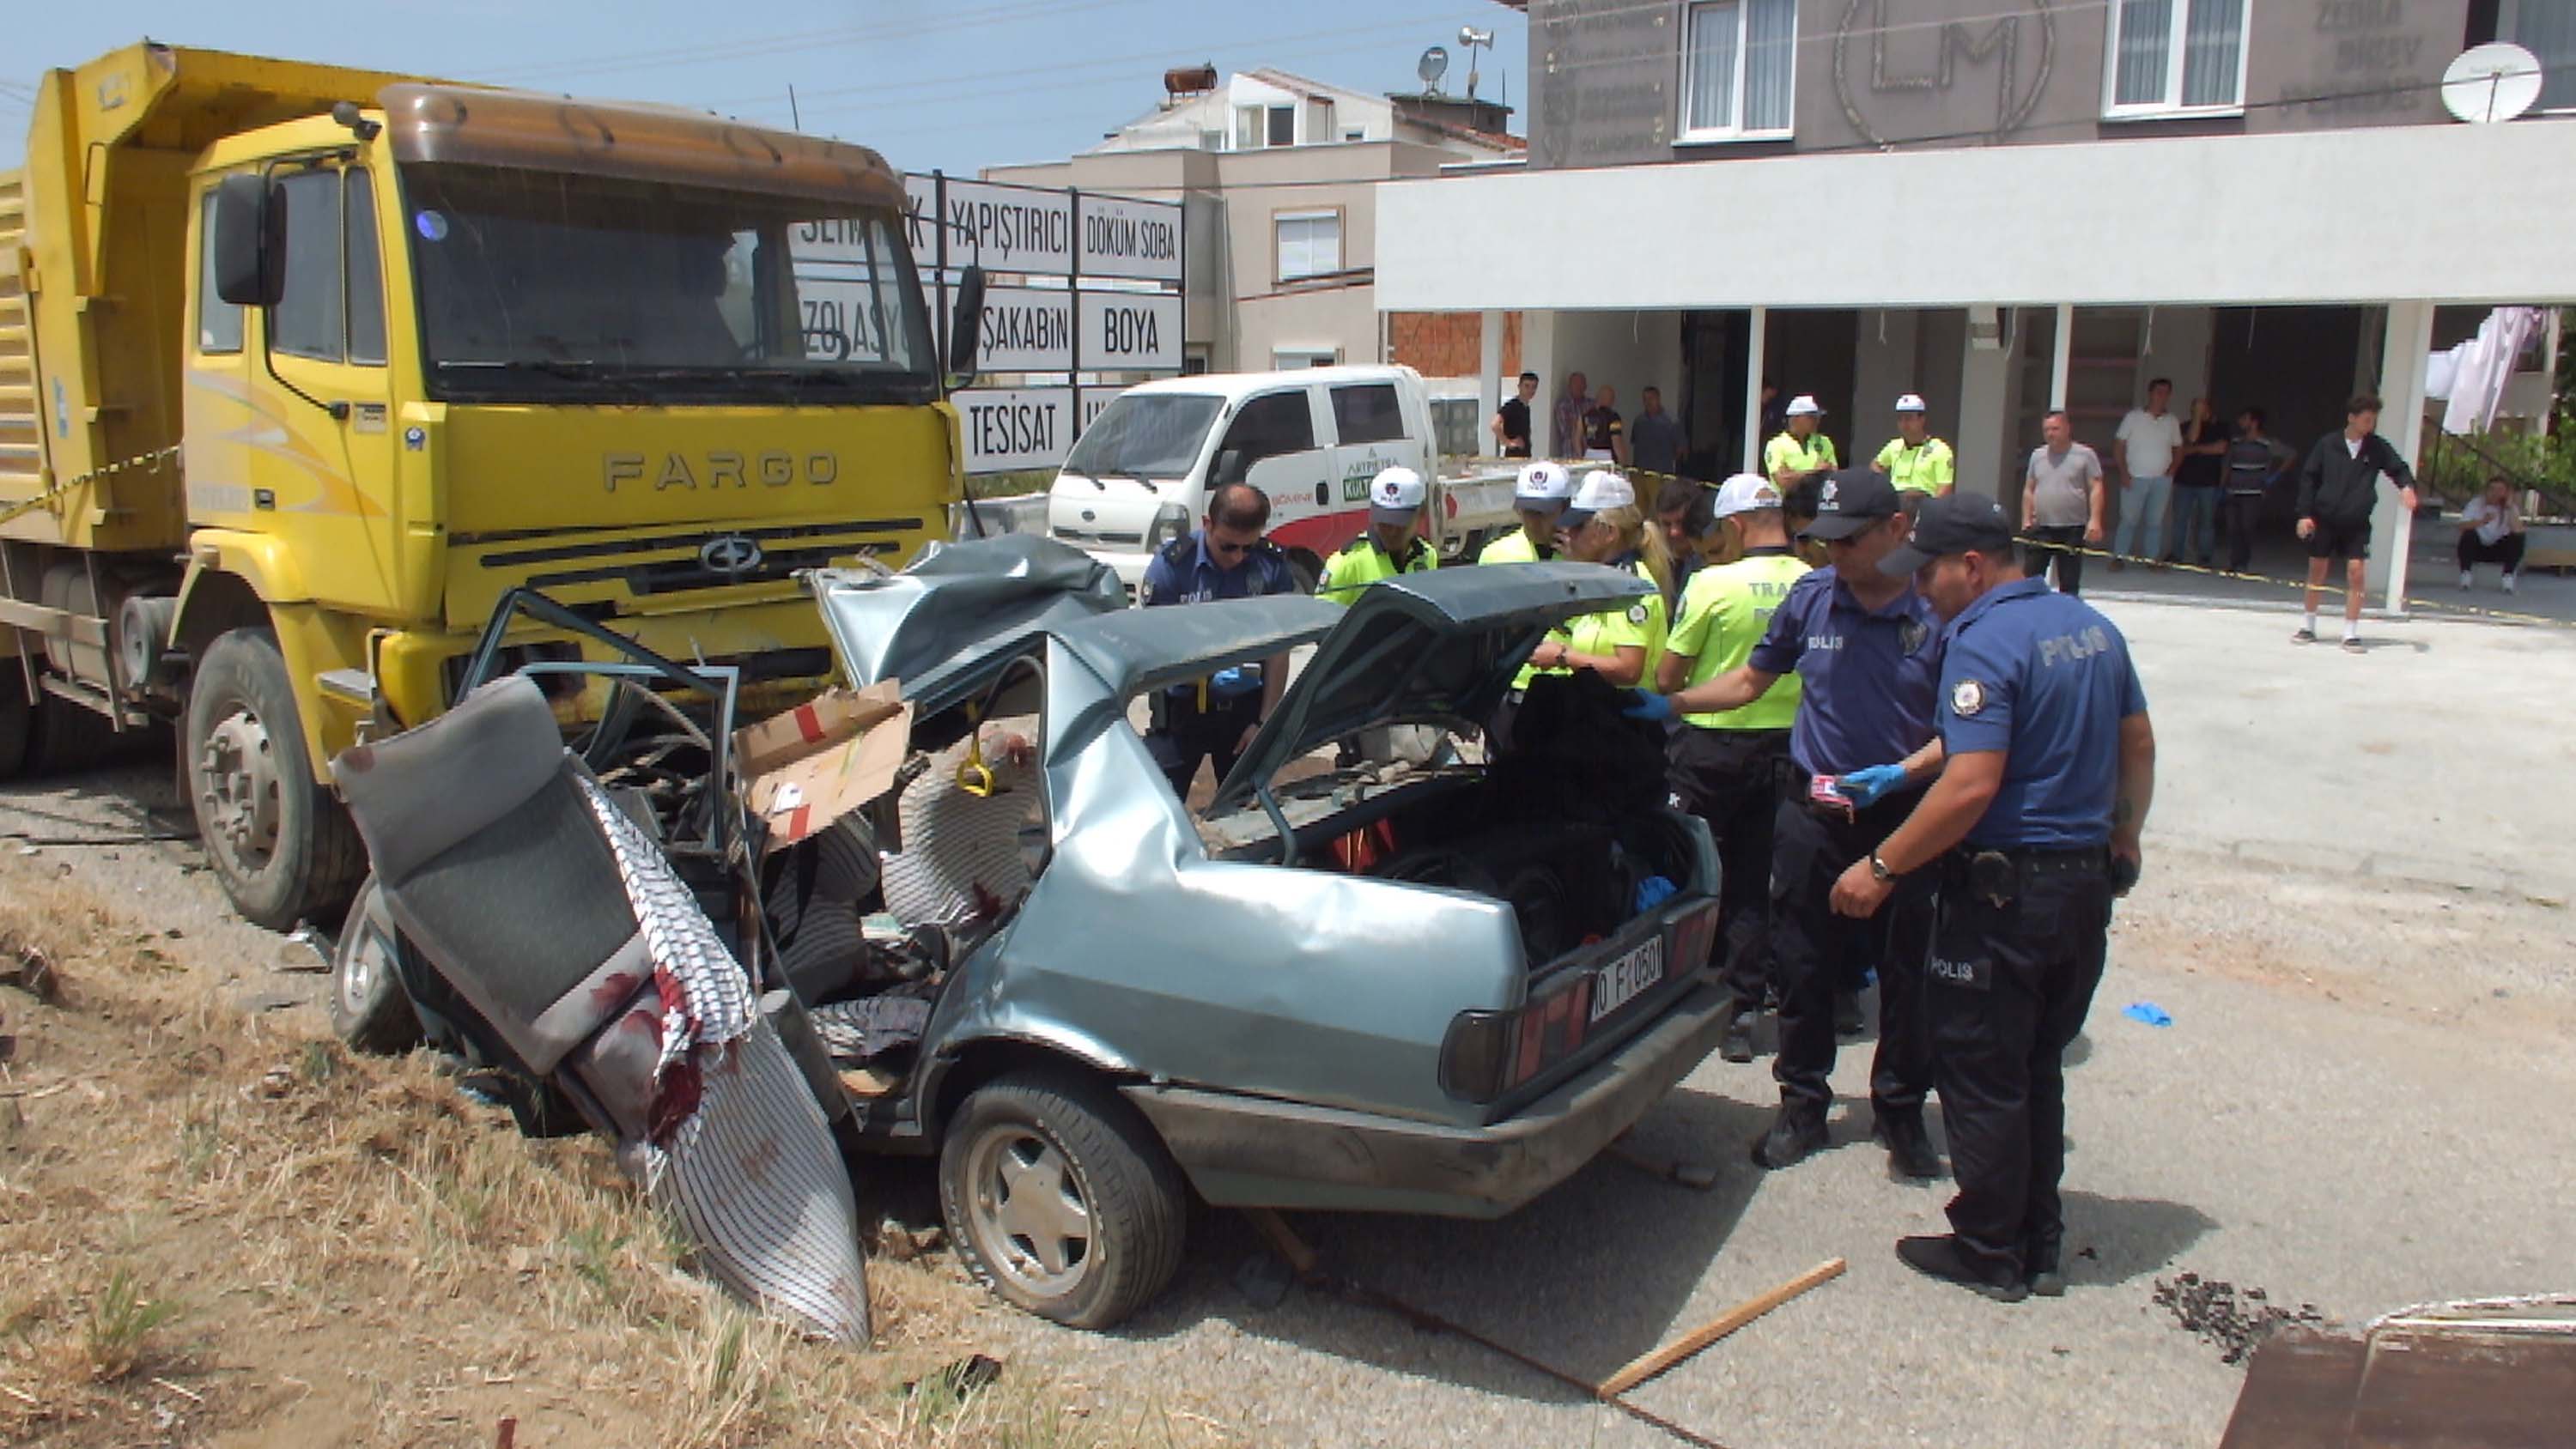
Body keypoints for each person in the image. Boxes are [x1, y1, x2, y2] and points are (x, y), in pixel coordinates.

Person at [1825, 491, 2154, 1302]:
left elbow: (1974, 783)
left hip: (2005, 898)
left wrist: (1883, 866)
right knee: (2039, 1066)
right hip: (2081, 890)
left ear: (1973, 567)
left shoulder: (1979, 639)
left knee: (1982, 1072)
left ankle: (1988, 1247)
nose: (1921, 590)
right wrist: (2125, 836)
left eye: (1929, 572)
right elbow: (2136, 741)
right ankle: (2039, 1239)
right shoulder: (2089, 628)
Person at [1631, 469, 1944, 1180]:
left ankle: (1899, 1110)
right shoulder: (1810, 599)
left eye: (1850, 541)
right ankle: (1803, 1104)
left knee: (1906, 969)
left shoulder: (1935, 611)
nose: (1833, 554)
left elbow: (1964, 729)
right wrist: (1671, 706)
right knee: (1801, 959)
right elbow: (1750, 681)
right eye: (1824, 540)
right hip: (1815, 808)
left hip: (1901, 812)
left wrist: (1903, 774)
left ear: (1897, 531)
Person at [1657, 475, 1810, 1064]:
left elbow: (1670, 676)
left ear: (1737, 524)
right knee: (1754, 878)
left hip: (1711, 748)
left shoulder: (1712, 583)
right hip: (1789, 748)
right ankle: (1743, 1010)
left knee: (1685, 865)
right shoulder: (1813, 582)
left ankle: (1672, 986)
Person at [1138, 482, 1297, 797]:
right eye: (1228, 546)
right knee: (1155, 801)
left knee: (1248, 807)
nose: (1238, 557)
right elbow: (1151, 645)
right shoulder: (1172, 566)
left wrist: (1264, 724)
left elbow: (1280, 650)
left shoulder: (1270, 566)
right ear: (1207, 524)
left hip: (1243, 710)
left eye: (1248, 547)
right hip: (1181, 709)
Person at [2294, 392, 2419, 652]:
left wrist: (2406, 488)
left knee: (2357, 573)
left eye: (2373, 421)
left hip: (2356, 521)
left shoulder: (2376, 447)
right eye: (2365, 420)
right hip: (2324, 518)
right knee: (2317, 569)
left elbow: (2399, 468)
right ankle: (2308, 624)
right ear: (2351, 418)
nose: (2369, 426)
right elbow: (2309, 478)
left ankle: (2350, 632)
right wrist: (2304, 514)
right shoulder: (2327, 445)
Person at [1526, 470, 1669, 687]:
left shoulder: (1628, 588)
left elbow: (1629, 669)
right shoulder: (1606, 580)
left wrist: (1562, 656)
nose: (1568, 533)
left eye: (1578, 526)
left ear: (1609, 533)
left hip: (1624, 714)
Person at [1318, 466, 1437, 604]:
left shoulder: (1427, 556)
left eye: (1400, 524)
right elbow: (1319, 619)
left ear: (1421, 513)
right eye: (1384, 522)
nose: (1392, 532)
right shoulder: (1346, 565)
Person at [2022, 410, 2107, 597]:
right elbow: (2029, 489)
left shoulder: (2085, 455)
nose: (2050, 434)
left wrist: (2095, 520)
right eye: (2046, 430)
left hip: (2072, 528)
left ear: (2068, 429)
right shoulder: (2038, 456)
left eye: (2055, 429)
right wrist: (2026, 519)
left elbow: (2096, 488)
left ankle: (2067, 619)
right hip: (2041, 527)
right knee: (2030, 579)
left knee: (2069, 582)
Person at [2111, 379, 2183, 572]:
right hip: (2135, 476)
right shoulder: (2133, 417)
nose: (2162, 396)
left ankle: (2152, 559)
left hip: (2161, 480)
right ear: (2150, 393)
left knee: (2155, 522)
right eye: (2158, 391)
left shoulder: (2172, 421)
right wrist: (2124, 472)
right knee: (2128, 520)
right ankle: (2119, 557)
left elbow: (2178, 447)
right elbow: (2119, 445)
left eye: (2166, 392)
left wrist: (2172, 470)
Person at [2221, 407, 2296, 573]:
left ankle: (2243, 562)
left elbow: (2291, 455)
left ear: (2254, 422)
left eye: (2245, 418)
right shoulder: (2236, 442)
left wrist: (2274, 477)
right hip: (2233, 490)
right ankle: (2234, 562)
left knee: (2247, 527)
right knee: (2232, 528)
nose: (2241, 422)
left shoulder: (2268, 443)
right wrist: (2222, 485)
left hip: (2253, 493)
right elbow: (2227, 465)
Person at [2164, 397, 2227, 567]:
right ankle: (2176, 554)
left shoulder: (2220, 427)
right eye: (2195, 407)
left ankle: (2205, 556)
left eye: (2201, 406)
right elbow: (2187, 444)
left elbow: (2220, 448)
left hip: (2209, 483)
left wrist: (2196, 449)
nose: (2198, 409)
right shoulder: (2184, 427)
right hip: (2184, 481)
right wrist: (2197, 419)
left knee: (2207, 521)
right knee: (2180, 520)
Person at [1871, 392, 1956, 509]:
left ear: (1922, 420)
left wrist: (1930, 511)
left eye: (1909, 418)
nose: (1904, 424)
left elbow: (1945, 489)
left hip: (1923, 506)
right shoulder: (1894, 446)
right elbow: (1876, 465)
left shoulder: (1940, 449)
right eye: (1900, 419)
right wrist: (1886, 488)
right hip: (1897, 505)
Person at [1481, 460, 1573, 566]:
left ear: (1565, 508)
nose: (1533, 522)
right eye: (1528, 511)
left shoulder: (1584, 555)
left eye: (1542, 512)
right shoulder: (1495, 555)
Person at [1765, 395, 1838, 518]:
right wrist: (1815, 472)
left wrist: (1795, 475)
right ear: (1795, 419)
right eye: (1811, 417)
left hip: (1818, 510)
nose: (1817, 420)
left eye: (1818, 416)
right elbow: (1783, 482)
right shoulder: (1776, 445)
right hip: (1788, 512)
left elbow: (1833, 477)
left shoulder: (1824, 442)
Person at [2458, 476, 2526, 593]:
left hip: (2498, 549)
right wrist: (2482, 521)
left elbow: (2518, 530)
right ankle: (2466, 575)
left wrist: (2509, 508)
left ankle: (2508, 577)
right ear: (2486, 491)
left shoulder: (2510, 508)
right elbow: (2461, 526)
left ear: (2506, 493)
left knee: (2518, 537)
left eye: (2500, 490)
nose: (2495, 494)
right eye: (2492, 489)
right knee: (2468, 534)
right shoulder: (2476, 503)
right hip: (2478, 548)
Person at [1654, 476, 1715, 599]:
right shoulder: (1652, 565)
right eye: (1666, 524)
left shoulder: (1714, 564)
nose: (1674, 532)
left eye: (1680, 522)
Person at [1631, 385, 1688, 478]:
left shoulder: (1671, 421)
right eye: (1645, 399)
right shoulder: (1639, 421)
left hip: (1662, 473)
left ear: (1658, 398)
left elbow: (1681, 448)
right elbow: (1635, 443)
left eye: (1651, 399)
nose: (1648, 402)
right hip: (1641, 472)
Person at [1491, 371, 1539, 459]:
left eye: (1534, 387)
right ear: (1519, 387)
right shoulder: (1512, 405)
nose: (1530, 390)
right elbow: (1495, 424)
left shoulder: (1526, 407)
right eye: (1527, 386)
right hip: (1514, 457)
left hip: (1525, 455)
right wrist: (1508, 442)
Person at [1583, 385, 1628, 466]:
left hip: (1589, 454)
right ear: (1610, 400)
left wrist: (1581, 454)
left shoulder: (1586, 415)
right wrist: (1623, 463)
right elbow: (1617, 442)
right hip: (1606, 456)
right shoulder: (1614, 418)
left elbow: (1576, 437)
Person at [1552, 371, 1590, 460]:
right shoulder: (1563, 405)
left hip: (1590, 455)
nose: (1579, 387)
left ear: (1585, 386)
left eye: (1581, 384)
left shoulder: (1591, 405)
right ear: (1569, 386)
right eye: (1575, 384)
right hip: (1570, 455)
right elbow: (1565, 431)